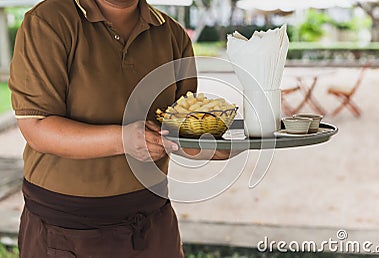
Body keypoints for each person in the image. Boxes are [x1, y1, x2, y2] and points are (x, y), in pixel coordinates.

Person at [9, 0, 233, 257]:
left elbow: (178, 129)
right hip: (67, 229)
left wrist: (218, 145)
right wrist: (123, 140)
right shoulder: (49, 20)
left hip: (152, 224)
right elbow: (36, 126)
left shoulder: (170, 33)